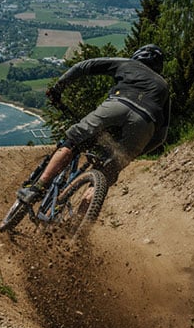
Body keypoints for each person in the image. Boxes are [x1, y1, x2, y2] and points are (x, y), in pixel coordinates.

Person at [16, 44, 171, 206]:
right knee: (108, 172)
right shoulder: (164, 86)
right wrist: (133, 153)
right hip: (145, 123)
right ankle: (82, 217)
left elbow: (84, 66)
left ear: (138, 55)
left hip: (118, 105)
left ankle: (36, 189)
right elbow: (161, 137)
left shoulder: (128, 63)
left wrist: (58, 88)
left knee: (73, 141)